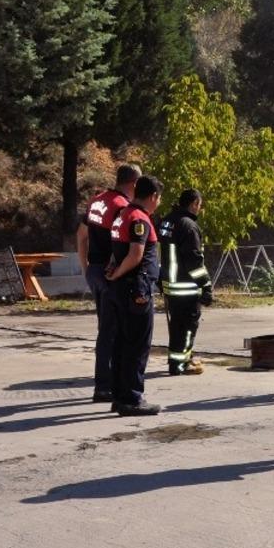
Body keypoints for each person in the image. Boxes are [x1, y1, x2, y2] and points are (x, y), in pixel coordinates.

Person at [76, 164, 140, 403]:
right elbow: (119, 244)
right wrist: (116, 269)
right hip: (110, 275)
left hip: (94, 271)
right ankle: (105, 386)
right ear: (134, 183)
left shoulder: (96, 201)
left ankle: (104, 384)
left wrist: (86, 268)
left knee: (105, 330)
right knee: (113, 332)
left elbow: (81, 237)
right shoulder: (122, 207)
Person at [104, 175, 163, 416]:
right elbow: (136, 254)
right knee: (137, 345)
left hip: (121, 289)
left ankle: (119, 395)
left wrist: (114, 271)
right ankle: (132, 398)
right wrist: (118, 272)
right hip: (136, 289)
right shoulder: (140, 218)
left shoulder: (122, 214)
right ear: (153, 197)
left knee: (121, 344)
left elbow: (116, 250)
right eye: (159, 198)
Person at [158, 189, 214, 376]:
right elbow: (194, 260)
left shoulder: (166, 221)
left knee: (177, 326)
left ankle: (176, 361)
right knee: (188, 326)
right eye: (199, 205)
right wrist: (205, 285)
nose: (199, 208)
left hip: (169, 284)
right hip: (186, 286)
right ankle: (182, 363)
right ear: (193, 204)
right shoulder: (189, 226)